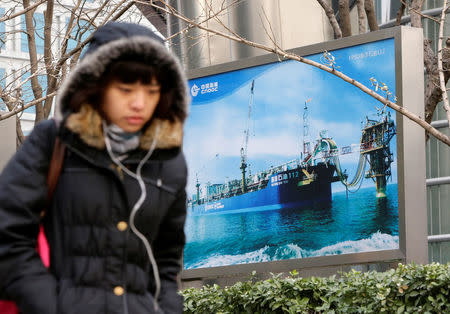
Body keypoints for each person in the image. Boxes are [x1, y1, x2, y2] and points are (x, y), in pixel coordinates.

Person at [0, 21, 189, 314]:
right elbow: (8, 235)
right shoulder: (53, 142)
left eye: (151, 90)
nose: (139, 103)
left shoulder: (170, 163)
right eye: (126, 89)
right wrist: (51, 305)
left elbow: (166, 260)